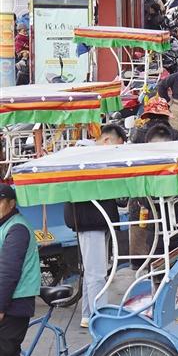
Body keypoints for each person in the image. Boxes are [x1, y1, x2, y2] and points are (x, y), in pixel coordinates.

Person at [64, 125, 126, 328]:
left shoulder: (92, 155)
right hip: (90, 220)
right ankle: (100, 318)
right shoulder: (86, 156)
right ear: (107, 140)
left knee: (93, 271)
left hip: (97, 219)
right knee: (97, 273)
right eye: (117, 147)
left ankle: (88, 314)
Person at [0, 184, 41, 356]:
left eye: (0, 201)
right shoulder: (5, 225)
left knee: (5, 355)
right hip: (10, 301)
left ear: (11, 203)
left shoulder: (16, 228)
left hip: (15, 303)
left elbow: (8, 272)